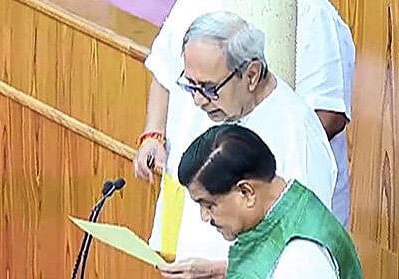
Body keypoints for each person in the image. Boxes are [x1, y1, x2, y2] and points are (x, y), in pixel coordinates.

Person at [134, 0, 354, 266]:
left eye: (209, 88)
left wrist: (221, 271)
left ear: (251, 75)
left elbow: (298, 250)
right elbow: (163, 70)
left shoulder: (297, 138)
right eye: (191, 86)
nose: (198, 101)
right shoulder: (228, 112)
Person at [158, 124, 362, 279]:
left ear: (246, 192)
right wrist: (218, 271)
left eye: (209, 205)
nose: (204, 217)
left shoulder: (301, 256)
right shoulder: (288, 203)